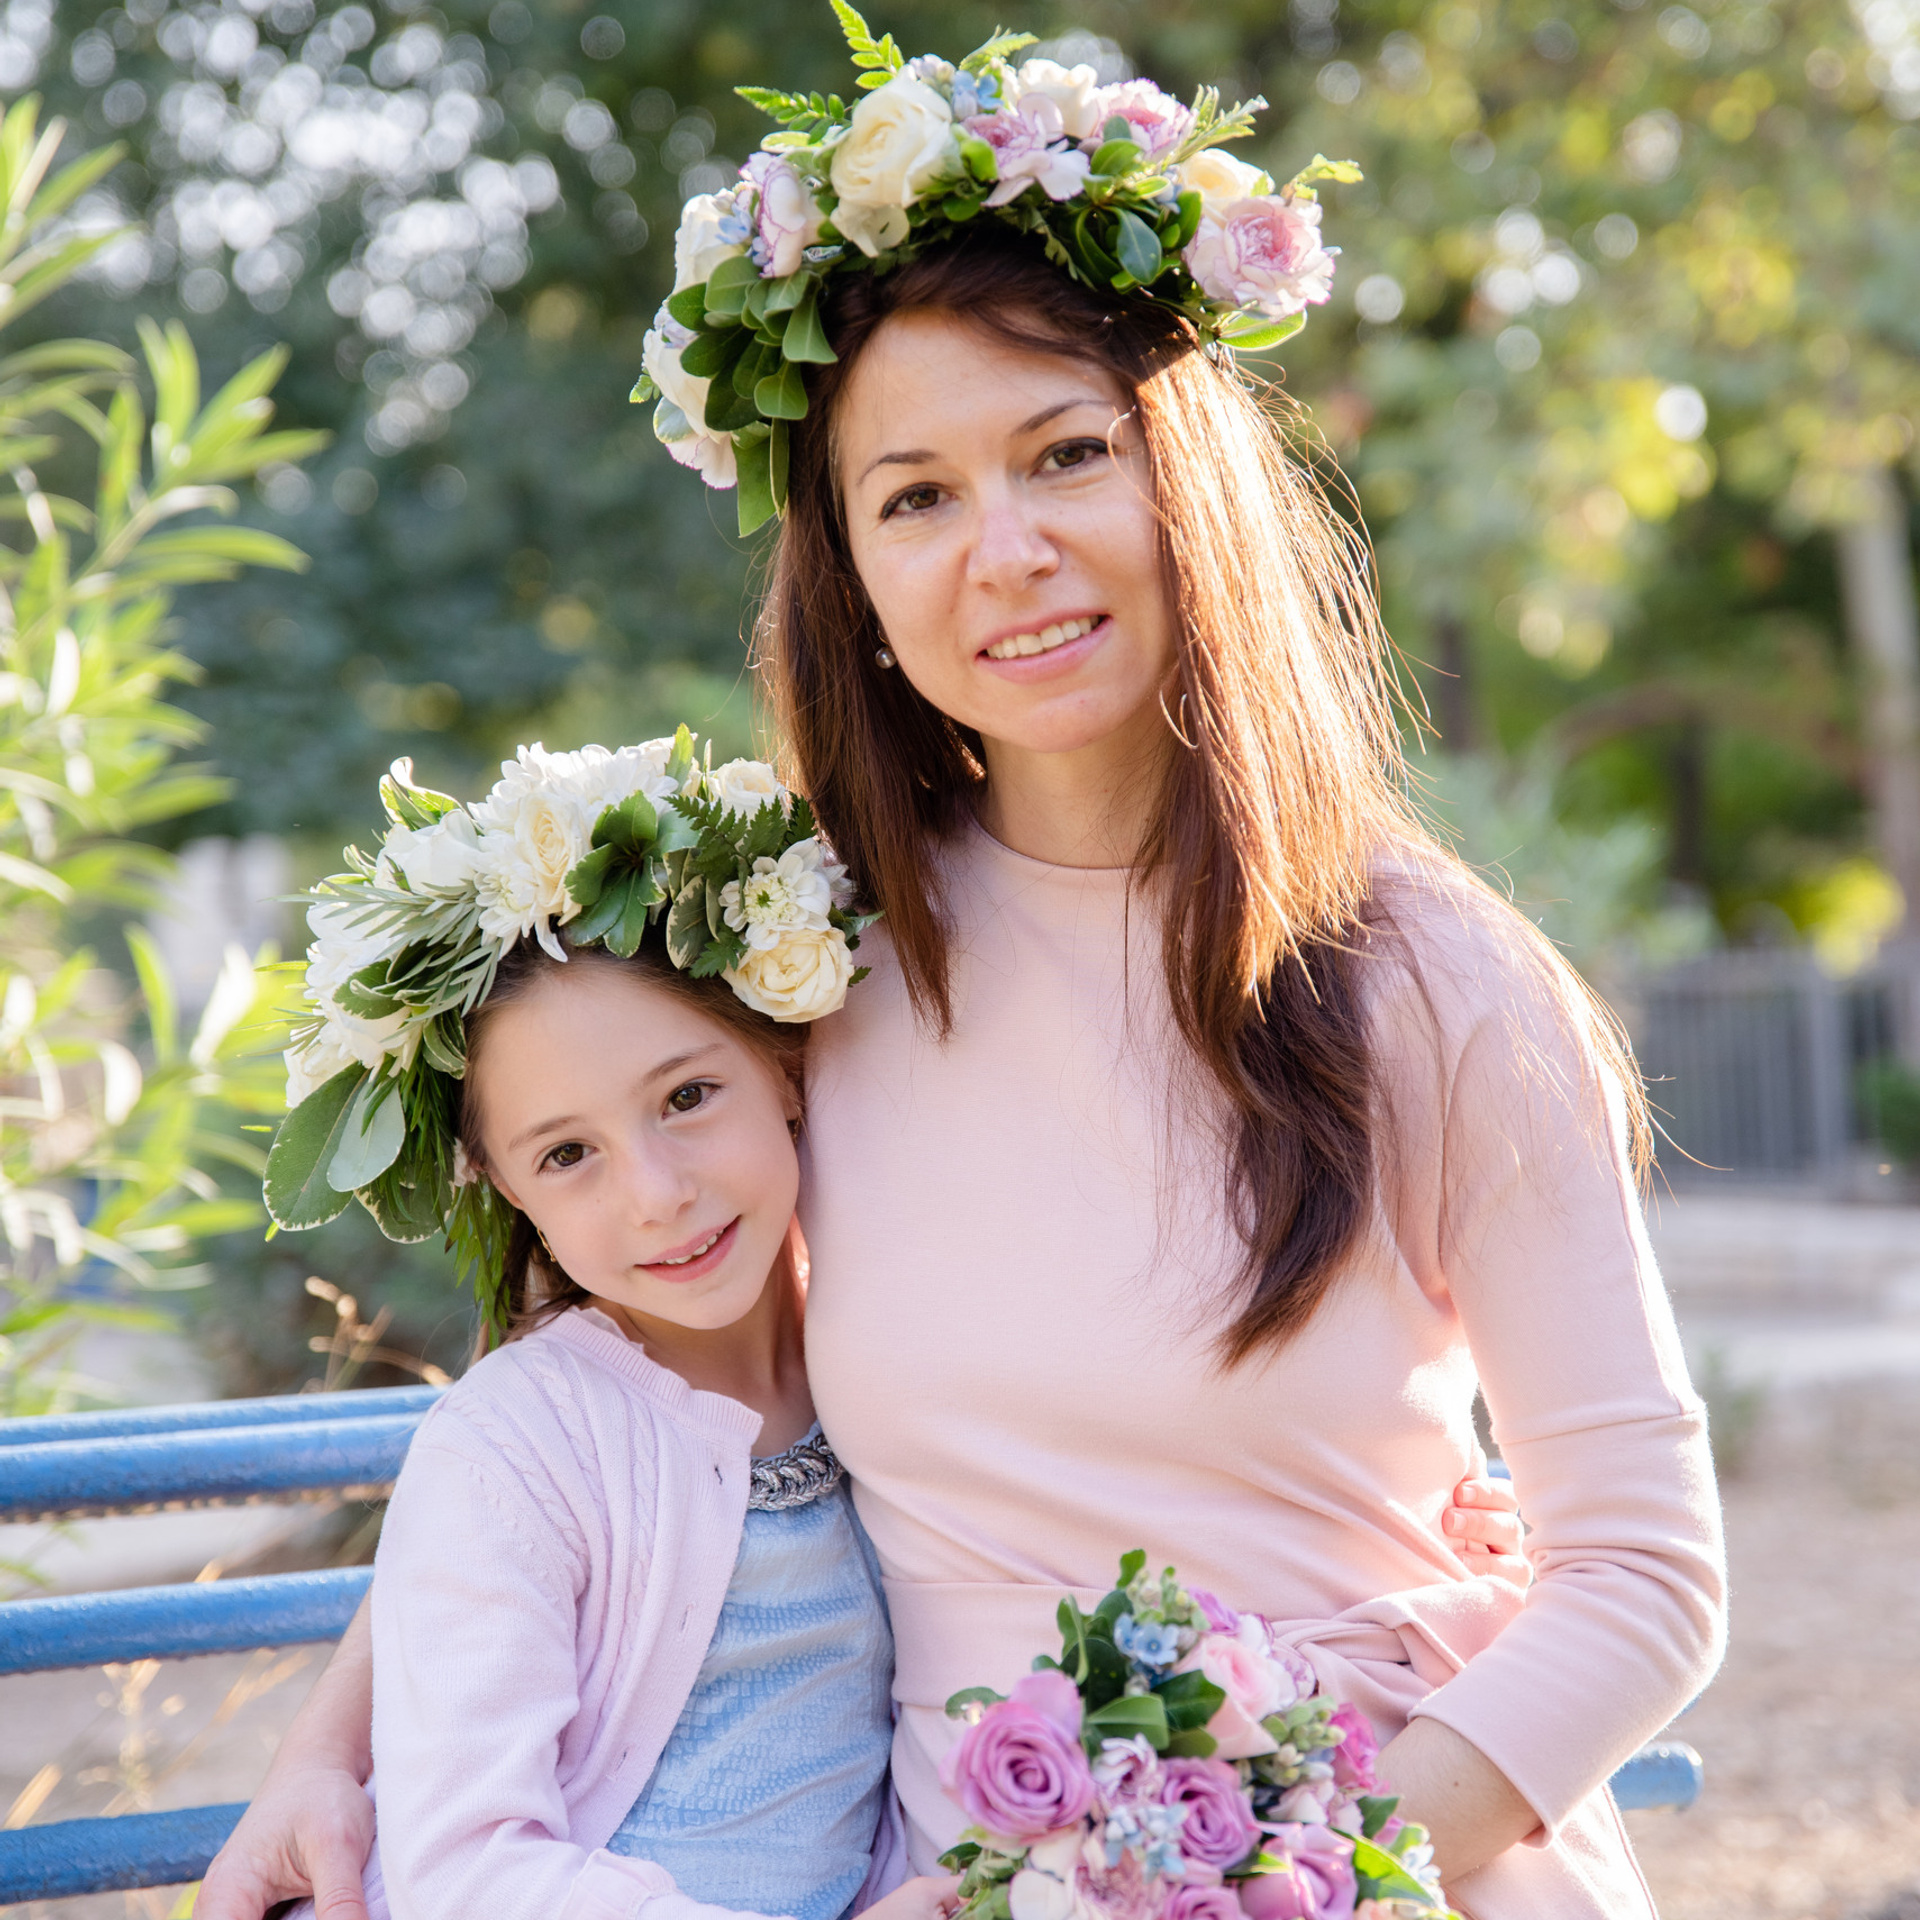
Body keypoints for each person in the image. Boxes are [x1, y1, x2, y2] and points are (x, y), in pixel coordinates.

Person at [205, 28, 1723, 1920]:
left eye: (1067, 455)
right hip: (969, 1881)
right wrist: (325, 1750)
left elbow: (1647, 1577)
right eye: (914, 495)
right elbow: (618, 1386)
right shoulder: (811, 949)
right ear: (849, 566)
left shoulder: (1432, 986)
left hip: (1381, 1850)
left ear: (1188, 486)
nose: (1004, 551)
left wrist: (1292, 1870)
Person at [255, 742, 949, 1920]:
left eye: (687, 1096)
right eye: (568, 1154)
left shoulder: (888, 1352)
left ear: (786, 1066)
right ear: (504, 1187)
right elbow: (470, 1872)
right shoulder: (517, 1447)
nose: (657, 1194)